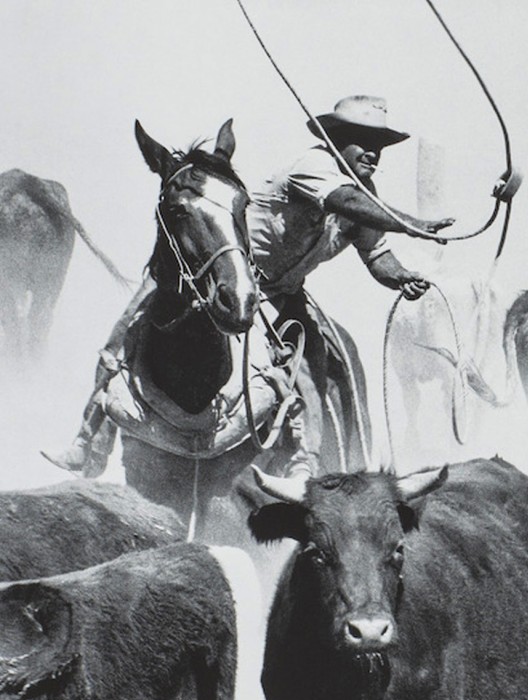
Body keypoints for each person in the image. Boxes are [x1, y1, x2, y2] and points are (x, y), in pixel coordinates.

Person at [44, 95, 452, 477]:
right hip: (229, 272)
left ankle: (303, 468)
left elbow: (378, 257)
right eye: (362, 142)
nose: (373, 153)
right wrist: (411, 223)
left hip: (284, 293)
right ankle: (88, 442)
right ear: (334, 142)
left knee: (311, 369)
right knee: (124, 336)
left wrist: (402, 278)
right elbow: (344, 202)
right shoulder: (315, 168)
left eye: (378, 145)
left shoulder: (367, 201)